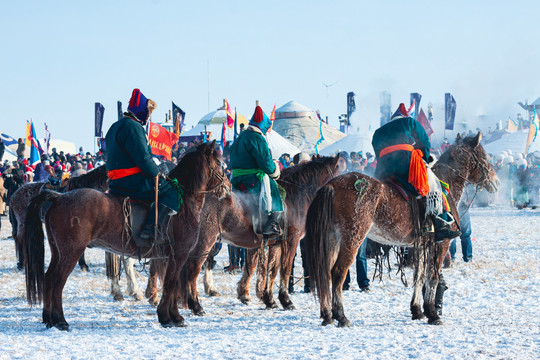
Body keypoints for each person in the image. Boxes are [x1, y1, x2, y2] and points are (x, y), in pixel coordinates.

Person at [371, 103, 460, 243]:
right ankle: (440, 224)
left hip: (384, 169)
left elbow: (376, 152)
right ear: (405, 116)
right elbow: (424, 141)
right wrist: (423, 157)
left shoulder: (378, 131)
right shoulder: (409, 121)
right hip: (404, 163)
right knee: (434, 184)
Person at [105, 88, 180, 246]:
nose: (148, 116)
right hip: (132, 181)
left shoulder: (115, 126)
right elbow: (143, 159)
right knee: (173, 192)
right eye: (148, 112)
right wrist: (157, 173)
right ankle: (151, 228)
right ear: (141, 111)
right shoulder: (133, 127)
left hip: (115, 182)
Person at [229, 105, 283, 237]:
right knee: (277, 191)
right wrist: (275, 169)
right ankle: (271, 224)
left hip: (236, 179)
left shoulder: (240, 137)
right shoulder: (257, 138)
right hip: (253, 179)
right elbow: (265, 163)